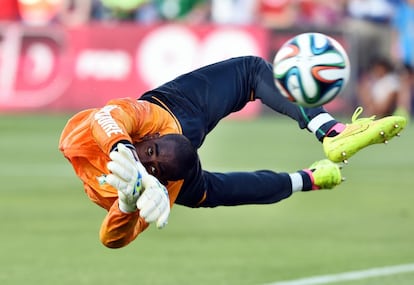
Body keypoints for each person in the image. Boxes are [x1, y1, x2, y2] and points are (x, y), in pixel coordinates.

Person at [59, 56, 407, 249]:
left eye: (148, 150)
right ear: (161, 181)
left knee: (216, 188)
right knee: (224, 187)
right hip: (174, 158)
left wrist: (124, 151)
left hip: (174, 115)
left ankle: (321, 159)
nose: (143, 158)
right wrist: (127, 203)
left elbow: (106, 117)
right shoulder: (158, 190)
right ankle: (325, 145)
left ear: (149, 136)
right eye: (149, 159)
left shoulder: (147, 122)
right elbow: (112, 239)